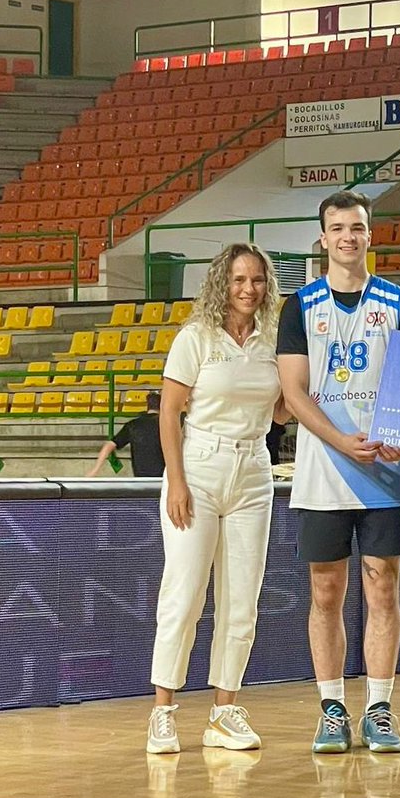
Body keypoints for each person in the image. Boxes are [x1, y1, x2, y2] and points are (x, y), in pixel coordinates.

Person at [277, 190, 400, 755]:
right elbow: (293, 390)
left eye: (357, 227)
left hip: (386, 466)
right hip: (322, 468)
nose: (347, 237)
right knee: (326, 589)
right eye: (337, 228)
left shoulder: (398, 303)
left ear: (369, 235)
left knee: (383, 584)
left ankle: (380, 708)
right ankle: (332, 706)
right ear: (323, 238)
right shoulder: (300, 305)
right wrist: (339, 439)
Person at [146, 243, 288, 755]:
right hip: (199, 468)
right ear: (220, 284)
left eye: (256, 280)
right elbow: (168, 414)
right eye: (238, 280)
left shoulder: (274, 340)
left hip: (254, 470)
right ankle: (163, 710)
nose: (248, 289)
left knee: (241, 600)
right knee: (184, 595)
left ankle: (224, 711)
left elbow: (281, 413)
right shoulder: (196, 338)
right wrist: (177, 481)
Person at [86, 392, 165, 477]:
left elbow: (109, 445)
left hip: (140, 477)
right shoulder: (166, 425)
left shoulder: (133, 425)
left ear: (147, 406)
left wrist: (95, 469)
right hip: (164, 476)